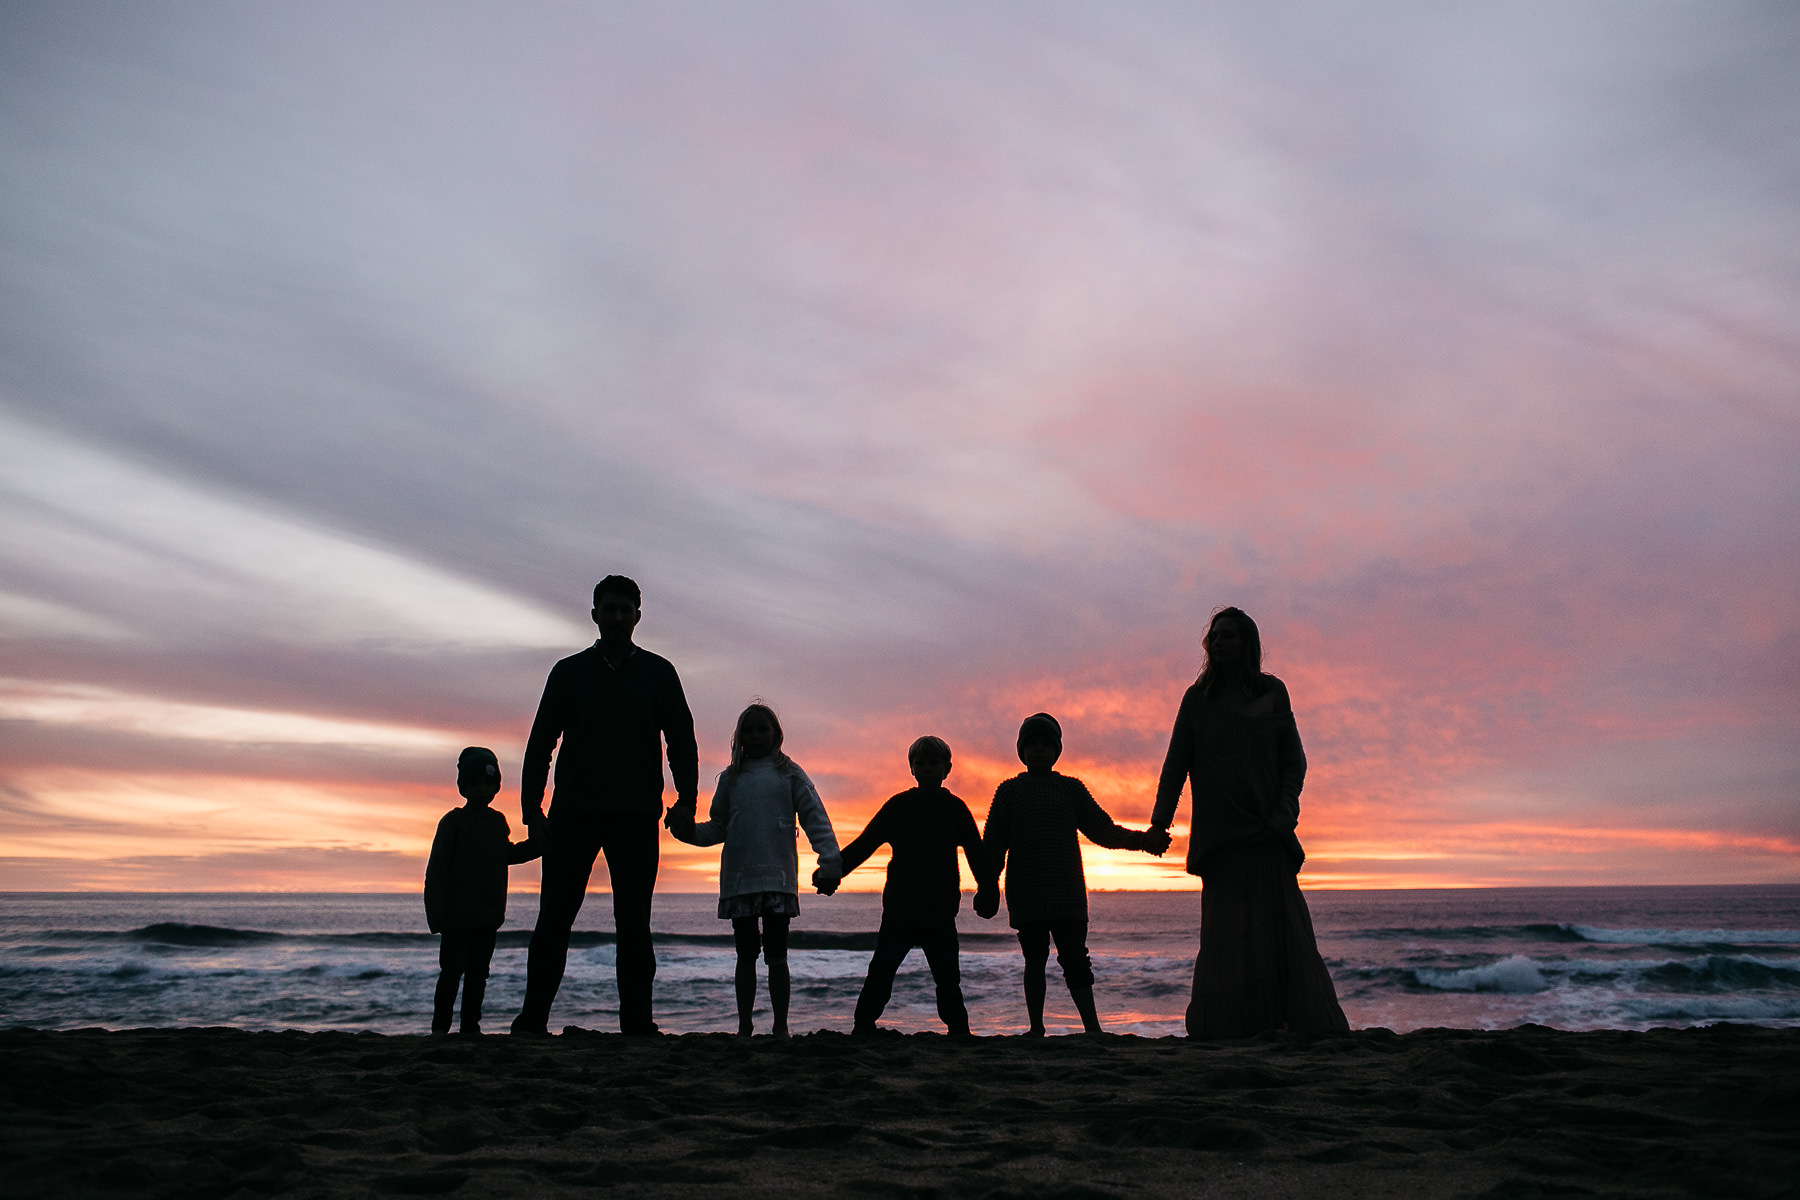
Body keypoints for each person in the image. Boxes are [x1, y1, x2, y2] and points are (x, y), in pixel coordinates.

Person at [1148, 606, 1350, 1038]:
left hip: (1267, 834)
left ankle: (1281, 1023)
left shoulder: (1273, 693)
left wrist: (1282, 815)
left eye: (1228, 636)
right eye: (1214, 637)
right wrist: (1159, 823)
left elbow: (1293, 764)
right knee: (1226, 939)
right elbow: (1176, 763)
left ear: (1248, 643)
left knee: (1278, 934)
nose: (1218, 643)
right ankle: (1229, 1029)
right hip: (1220, 839)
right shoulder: (1197, 698)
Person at [511, 575, 699, 1036]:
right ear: (594, 614)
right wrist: (532, 811)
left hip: (636, 816)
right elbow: (540, 743)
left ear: (638, 615)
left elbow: (682, 741)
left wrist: (686, 801)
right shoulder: (569, 672)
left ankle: (637, 1024)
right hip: (571, 815)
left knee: (634, 922)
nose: (616, 617)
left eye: (624, 609)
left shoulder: (659, 672)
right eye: (608, 609)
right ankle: (533, 1020)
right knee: (554, 919)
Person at [976, 713, 1171, 1035]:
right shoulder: (1008, 792)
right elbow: (993, 846)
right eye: (1032, 745)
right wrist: (987, 888)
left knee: (1076, 960)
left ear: (1056, 751)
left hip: (1067, 893)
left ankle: (1092, 1029)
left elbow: (1102, 830)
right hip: (1026, 891)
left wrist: (1141, 841)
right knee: (1034, 959)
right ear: (1021, 751)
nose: (1039, 750)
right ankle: (1036, 1028)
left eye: (1045, 745)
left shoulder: (1070, 789)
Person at [665, 702, 840, 1039]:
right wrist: (686, 832)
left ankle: (780, 1027)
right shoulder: (731, 779)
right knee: (745, 955)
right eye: (750, 729)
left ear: (776, 734)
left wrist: (829, 859)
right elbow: (717, 828)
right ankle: (744, 1025)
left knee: (777, 955)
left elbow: (815, 817)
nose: (756, 735)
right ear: (739, 736)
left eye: (763, 729)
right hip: (740, 881)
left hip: (778, 880)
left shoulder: (790, 773)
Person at [831, 735, 991, 1038]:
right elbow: (865, 843)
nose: (927, 769)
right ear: (911, 769)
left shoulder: (955, 808)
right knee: (881, 971)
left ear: (947, 769)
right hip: (899, 909)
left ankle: (959, 1030)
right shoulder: (898, 806)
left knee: (947, 978)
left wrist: (987, 889)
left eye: (934, 763)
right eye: (920, 763)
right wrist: (833, 872)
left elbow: (976, 852)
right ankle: (863, 1025)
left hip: (941, 911)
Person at [423, 747, 540, 1035]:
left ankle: (470, 1027)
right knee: (451, 974)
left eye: (488, 784)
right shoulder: (453, 822)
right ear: (463, 787)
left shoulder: (498, 821)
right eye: (474, 784)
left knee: (478, 975)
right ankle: (440, 1029)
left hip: (487, 916)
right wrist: (436, 916)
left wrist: (539, 846)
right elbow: (435, 871)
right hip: (456, 917)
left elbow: (506, 855)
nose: (482, 790)